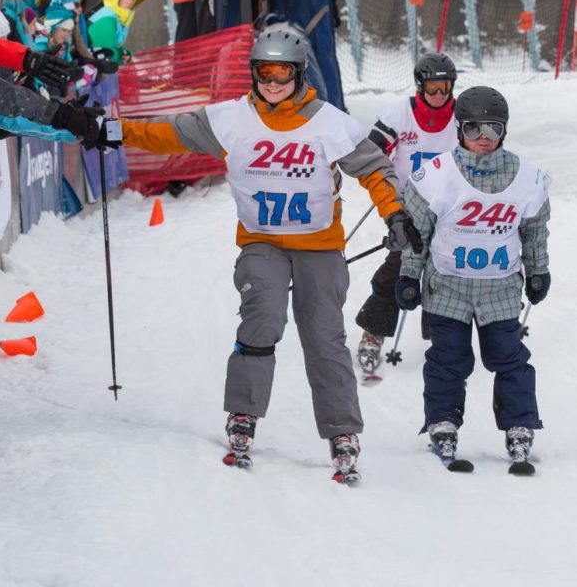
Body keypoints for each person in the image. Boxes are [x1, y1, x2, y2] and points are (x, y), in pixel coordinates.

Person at [92, 26, 418, 482]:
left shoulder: (330, 122)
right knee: (262, 318)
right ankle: (243, 415)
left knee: (324, 337)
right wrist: (114, 131)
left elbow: (375, 169)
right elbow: (168, 133)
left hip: (319, 245)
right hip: (261, 241)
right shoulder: (229, 118)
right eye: (264, 71)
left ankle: (342, 432)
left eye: (282, 72)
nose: (272, 82)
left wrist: (396, 214)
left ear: (299, 74)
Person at [396, 86, 550, 472]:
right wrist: (409, 276)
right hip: (447, 286)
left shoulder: (525, 177)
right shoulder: (436, 175)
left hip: (499, 287)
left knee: (510, 358)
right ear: (460, 129)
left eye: (494, 129)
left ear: (505, 131)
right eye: (474, 128)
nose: (484, 137)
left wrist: (538, 270)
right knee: (448, 360)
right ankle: (443, 422)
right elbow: (417, 234)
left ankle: (519, 425)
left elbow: (534, 231)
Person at [355, 53, 459, 376]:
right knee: (399, 266)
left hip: (449, 206)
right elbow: (370, 155)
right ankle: (373, 331)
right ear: (420, 87)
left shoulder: (462, 115)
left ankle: (443, 336)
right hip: (408, 206)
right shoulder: (400, 114)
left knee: (445, 271)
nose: (439, 95)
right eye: (433, 89)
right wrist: (388, 186)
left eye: (445, 88)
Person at [88, 0, 140, 64]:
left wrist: (124, 53)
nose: (129, 1)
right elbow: (104, 52)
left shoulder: (118, 18)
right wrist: (120, 57)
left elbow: (111, 47)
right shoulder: (107, 18)